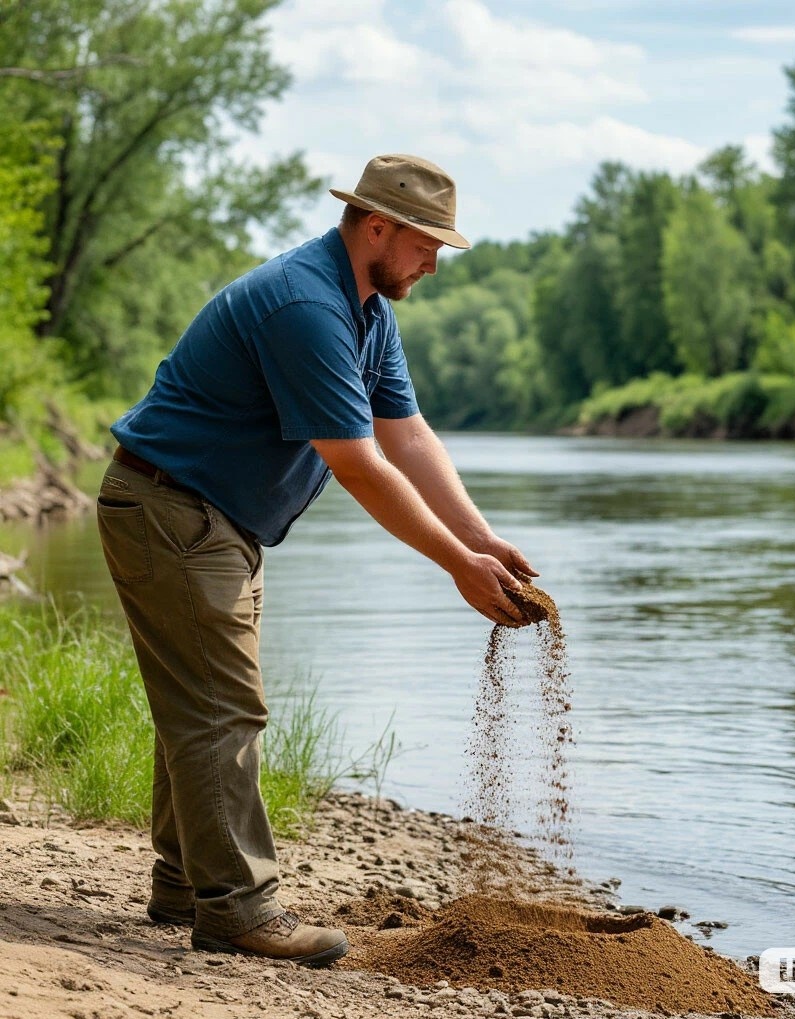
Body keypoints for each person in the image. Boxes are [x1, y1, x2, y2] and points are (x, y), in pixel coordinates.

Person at [96, 154, 536, 968]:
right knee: (224, 709)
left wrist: (480, 539)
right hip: (172, 509)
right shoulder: (306, 304)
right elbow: (359, 461)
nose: (435, 261)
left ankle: (186, 883)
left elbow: (407, 434)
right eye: (426, 243)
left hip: (210, 518)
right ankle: (238, 909)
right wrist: (455, 566)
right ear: (378, 226)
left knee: (201, 702)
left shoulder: (367, 310)